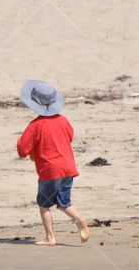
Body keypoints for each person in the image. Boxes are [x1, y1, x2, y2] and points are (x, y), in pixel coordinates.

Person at [16, 80, 90, 246]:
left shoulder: (35, 125)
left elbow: (22, 150)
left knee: (44, 205)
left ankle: (50, 238)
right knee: (64, 203)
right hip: (68, 168)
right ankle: (79, 219)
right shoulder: (63, 120)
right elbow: (69, 137)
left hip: (49, 171)